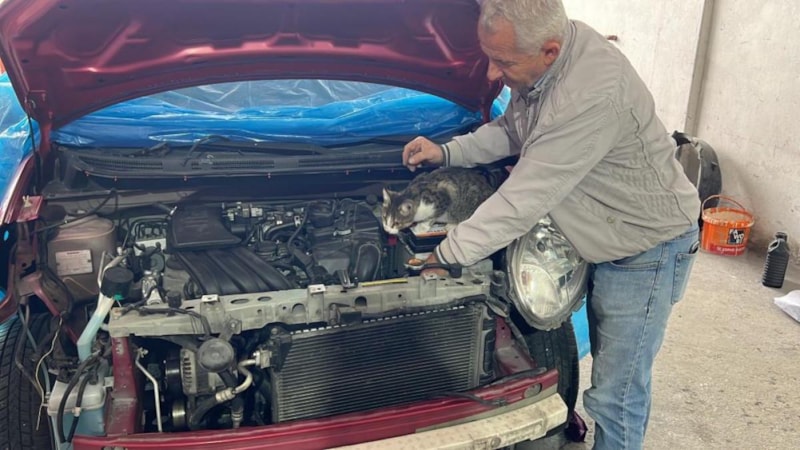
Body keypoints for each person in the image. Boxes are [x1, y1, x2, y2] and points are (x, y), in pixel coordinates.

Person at [401, 1, 701, 449]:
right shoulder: (544, 63)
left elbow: (523, 198)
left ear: (549, 51)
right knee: (610, 380)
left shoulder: (589, 95)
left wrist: (445, 255)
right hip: (603, 232)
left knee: (616, 395)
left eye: (503, 62)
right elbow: (512, 130)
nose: (492, 74)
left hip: (645, 248)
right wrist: (447, 152)